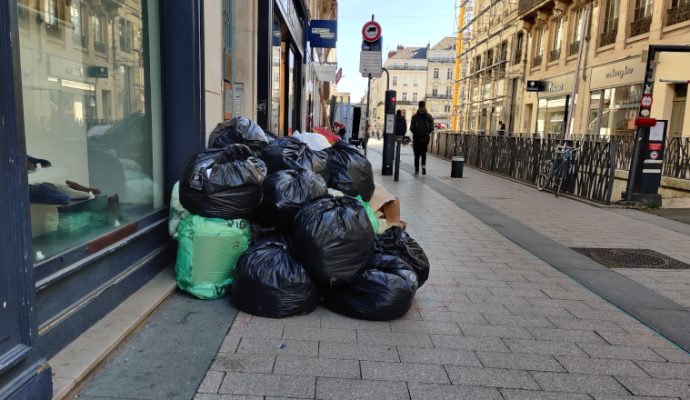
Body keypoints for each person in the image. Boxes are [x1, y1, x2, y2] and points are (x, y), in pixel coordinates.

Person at [410, 101, 434, 175]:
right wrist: (427, 133)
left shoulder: (414, 117)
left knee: (416, 155)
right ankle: (423, 167)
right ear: (424, 106)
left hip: (416, 139)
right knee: (423, 153)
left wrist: (416, 133)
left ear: (419, 106)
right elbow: (432, 128)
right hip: (425, 139)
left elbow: (411, 128)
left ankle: (417, 170)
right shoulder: (429, 117)